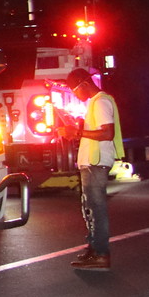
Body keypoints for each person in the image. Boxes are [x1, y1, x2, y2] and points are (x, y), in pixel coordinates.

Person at [64, 68, 122, 270]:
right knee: (91, 208)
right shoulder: (96, 103)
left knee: (96, 209)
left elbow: (107, 133)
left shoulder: (100, 101)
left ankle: (100, 254)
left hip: (96, 163)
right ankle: (94, 249)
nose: (76, 96)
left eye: (75, 91)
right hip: (92, 162)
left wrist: (77, 131)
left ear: (84, 84)